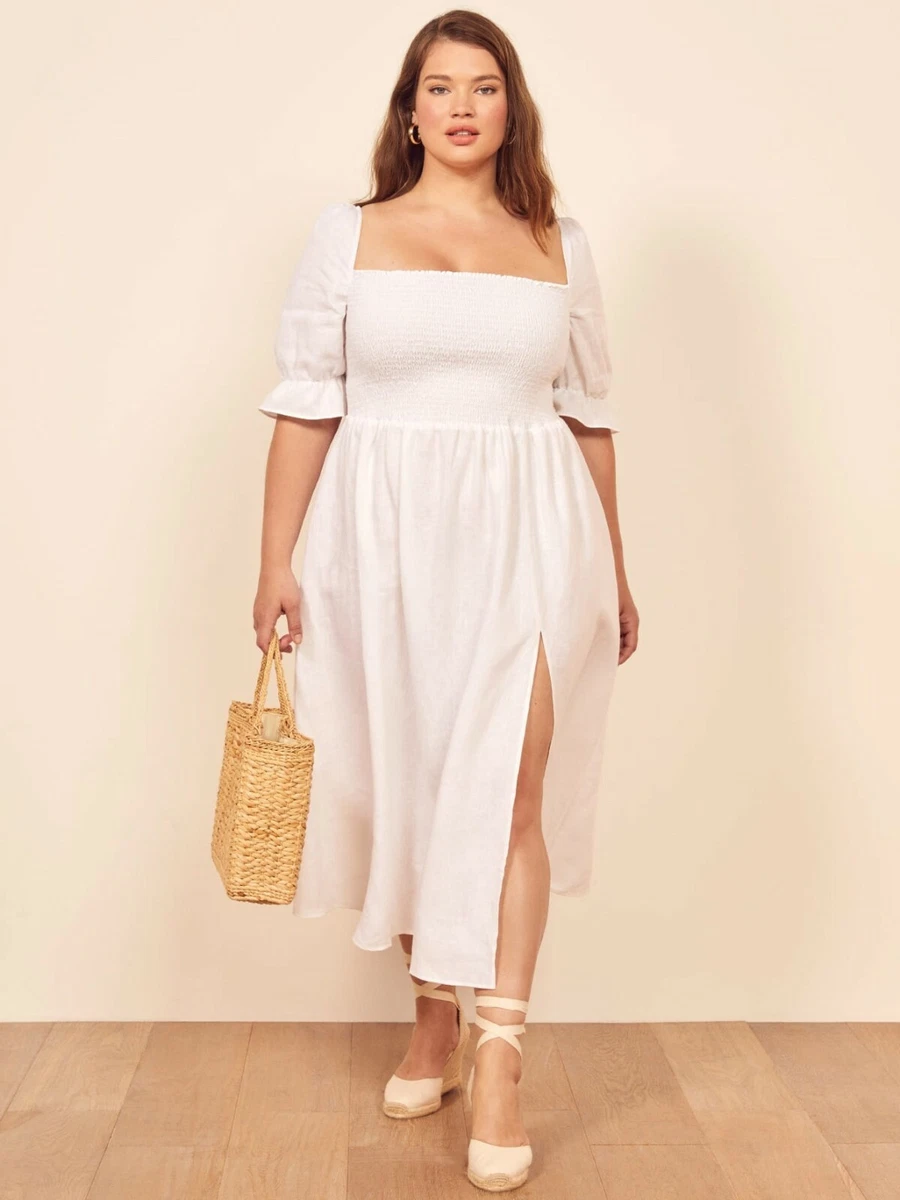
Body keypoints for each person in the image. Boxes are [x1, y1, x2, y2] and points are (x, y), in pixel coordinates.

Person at [252, 9, 639, 1192]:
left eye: (484, 86)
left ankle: (501, 1054)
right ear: (410, 112)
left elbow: (590, 416)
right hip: (380, 539)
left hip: (535, 532)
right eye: (439, 87)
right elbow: (307, 403)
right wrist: (273, 563)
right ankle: (433, 1017)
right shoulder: (350, 234)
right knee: (408, 783)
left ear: (511, 107)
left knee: (511, 788)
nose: (462, 106)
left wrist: (618, 569)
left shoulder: (560, 240)